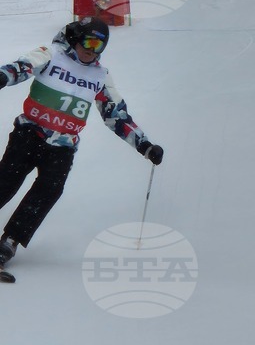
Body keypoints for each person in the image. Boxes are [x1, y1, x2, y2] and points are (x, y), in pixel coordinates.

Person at [0, 17, 163, 268]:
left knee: (49, 191)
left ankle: (9, 241)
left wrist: (145, 145)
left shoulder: (100, 76)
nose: (91, 49)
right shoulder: (51, 54)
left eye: (99, 45)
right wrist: (4, 76)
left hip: (62, 147)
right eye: (88, 41)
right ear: (76, 38)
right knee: (7, 181)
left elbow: (116, 116)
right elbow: (22, 67)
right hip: (29, 134)